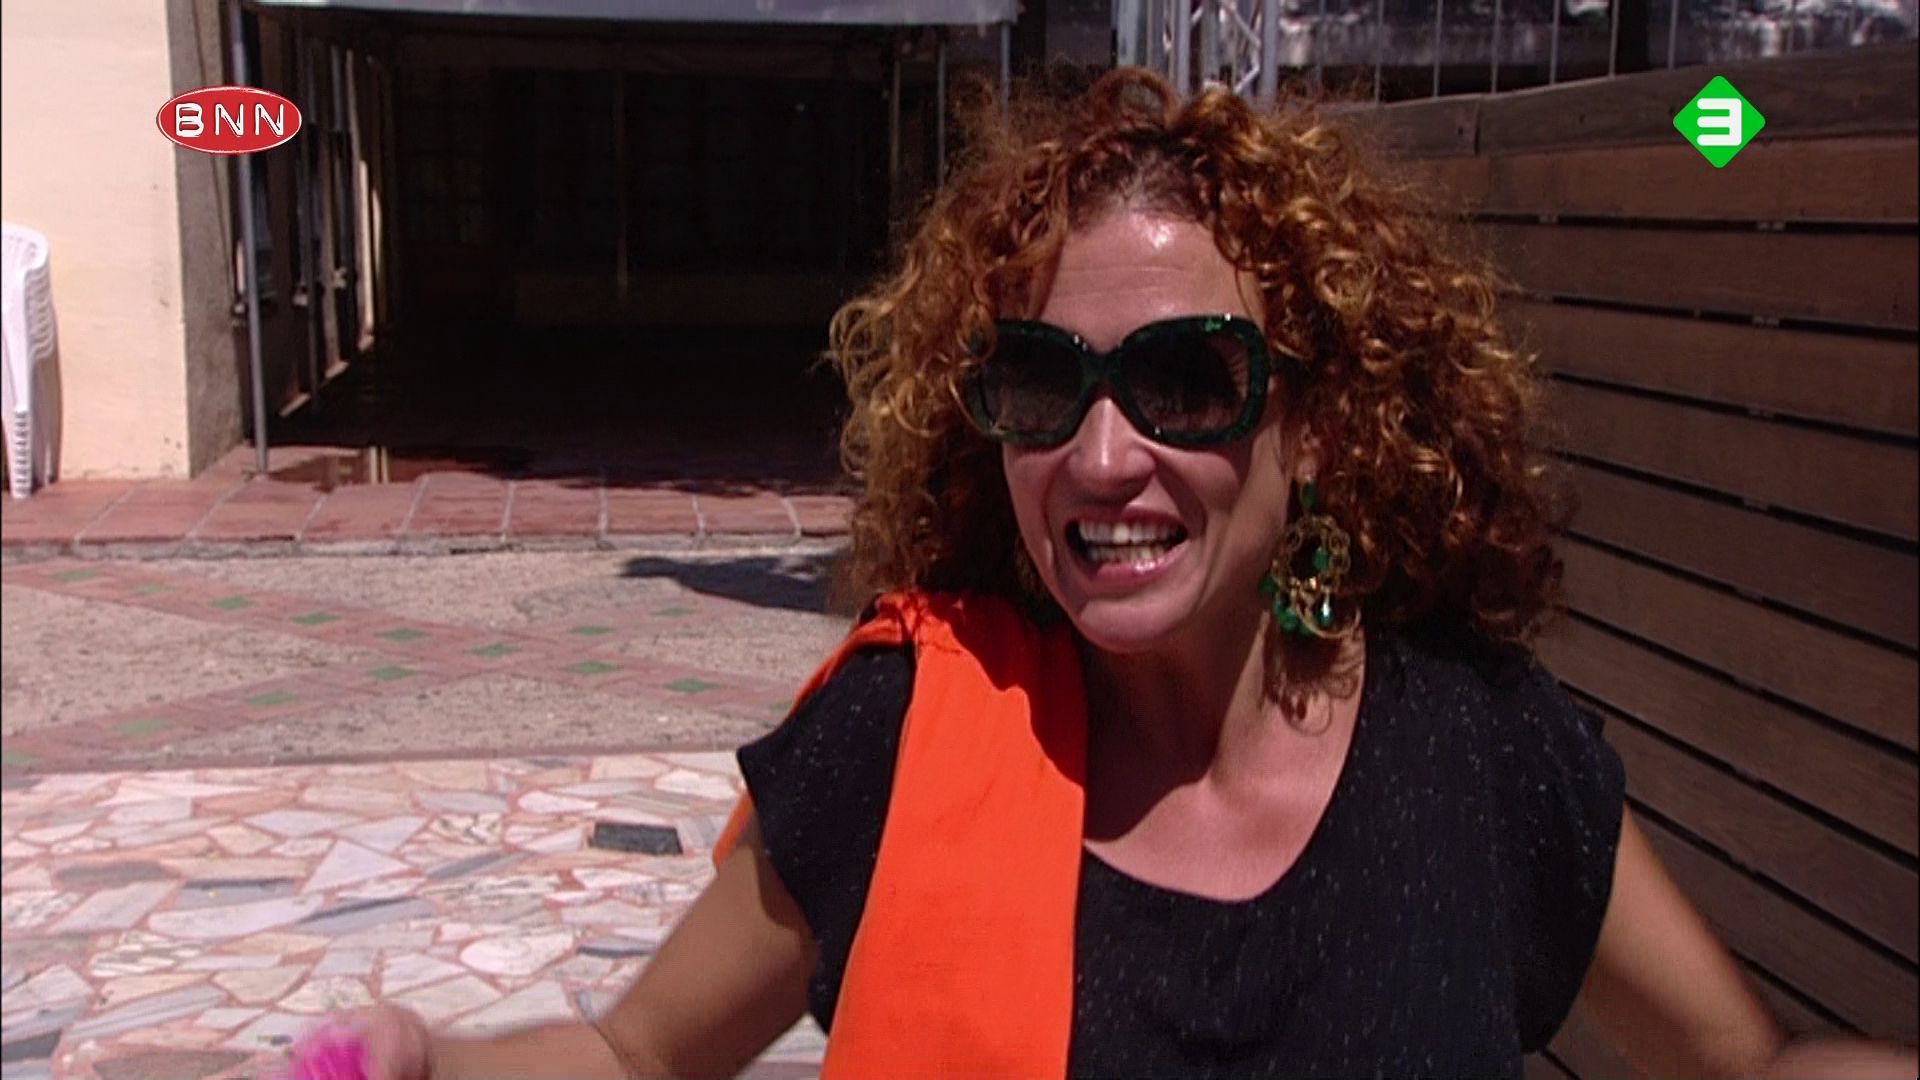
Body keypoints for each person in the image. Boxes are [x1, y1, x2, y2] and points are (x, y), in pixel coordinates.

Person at [337, 68, 1917, 1080]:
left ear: (1317, 420)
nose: (1102, 457)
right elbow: (635, 1057)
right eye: (1042, 383)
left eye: (1186, 381)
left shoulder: (1486, 753)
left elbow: (1752, 1067)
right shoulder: (900, 738)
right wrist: (414, 1060)